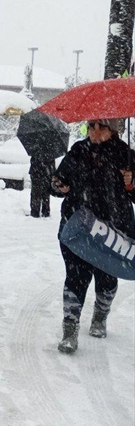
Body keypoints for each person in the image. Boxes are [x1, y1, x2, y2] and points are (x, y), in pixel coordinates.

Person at [51, 118, 135, 353]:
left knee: (107, 277)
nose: (96, 132)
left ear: (113, 130)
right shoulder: (79, 150)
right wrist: (59, 185)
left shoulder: (126, 155)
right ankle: (70, 329)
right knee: (75, 277)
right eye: (92, 126)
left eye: (102, 127)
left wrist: (132, 183)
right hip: (77, 226)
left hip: (112, 230)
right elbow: (58, 182)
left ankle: (100, 314)